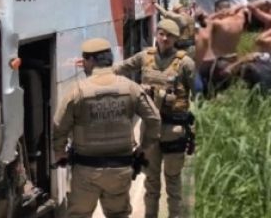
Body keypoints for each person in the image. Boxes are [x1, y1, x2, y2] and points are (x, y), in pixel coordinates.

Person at [52, 38, 161, 218]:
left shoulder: (77, 91)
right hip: (121, 170)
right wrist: (144, 148)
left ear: (91, 61)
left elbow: (59, 125)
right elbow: (154, 119)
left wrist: (60, 151)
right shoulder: (131, 87)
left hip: (86, 171)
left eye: (84, 60)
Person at [114, 20, 195, 218]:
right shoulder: (144, 57)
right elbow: (121, 68)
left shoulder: (185, 63)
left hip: (174, 130)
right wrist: (97, 68)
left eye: (169, 35)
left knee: (173, 182)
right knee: (151, 182)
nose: (165, 38)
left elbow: (200, 91)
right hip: (150, 131)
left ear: (176, 39)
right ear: (156, 34)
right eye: (161, 33)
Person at [196, 0, 249, 95]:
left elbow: (206, 23)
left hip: (216, 62)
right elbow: (246, 6)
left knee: (210, 93)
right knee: (226, 92)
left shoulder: (216, 23)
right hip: (232, 59)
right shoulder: (239, 21)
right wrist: (234, 9)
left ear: (217, 9)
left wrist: (217, 14)